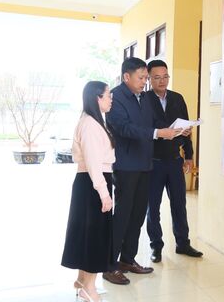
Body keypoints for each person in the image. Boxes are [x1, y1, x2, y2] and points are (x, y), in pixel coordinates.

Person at [103, 57, 181, 285]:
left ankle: (127, 259)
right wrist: (158, 133)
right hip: (126, 166)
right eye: (141, 78)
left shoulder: (144, 97)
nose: (145, 82)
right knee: (122, 216)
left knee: (137, 215)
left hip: (146, 165)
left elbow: (153, 122)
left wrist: (176, 130)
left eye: (146, 78)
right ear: (126, 77)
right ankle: (109, 265)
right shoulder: (116, 98)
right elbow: (124, 128)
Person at [61, 81, 115, 302]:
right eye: (108, 95)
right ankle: (89, 288)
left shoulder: (90, 121)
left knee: (87, 233)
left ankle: (82, 280)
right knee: (95, 236)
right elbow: (94, 163)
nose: (111, 99)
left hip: (89, 182)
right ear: (97, 98)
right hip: (94, 183)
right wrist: (104, 193)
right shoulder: (91, 124)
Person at [146, 60, 203, 263]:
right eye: (157, 77)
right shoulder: (143, 100)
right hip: (153, 162)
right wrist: (166, 130)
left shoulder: (177, 98)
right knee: (153, 207)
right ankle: (156, 246)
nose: (162, 81)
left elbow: (187, 127)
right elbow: (147, 129)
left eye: (165, 77)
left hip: (174, 160)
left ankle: (183, 243)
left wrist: (189, 155)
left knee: (179, 203)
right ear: (149, 79)